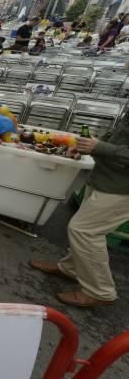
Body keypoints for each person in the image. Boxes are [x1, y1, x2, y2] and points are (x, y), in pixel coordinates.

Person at [29, 115, 129, 308]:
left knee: (84, 231)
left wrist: (98, 147)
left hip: (121, 189)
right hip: (107, 180)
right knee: (84, 230)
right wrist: (92, 144)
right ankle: (71, 268)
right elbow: (119, 135)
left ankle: (100, 291)